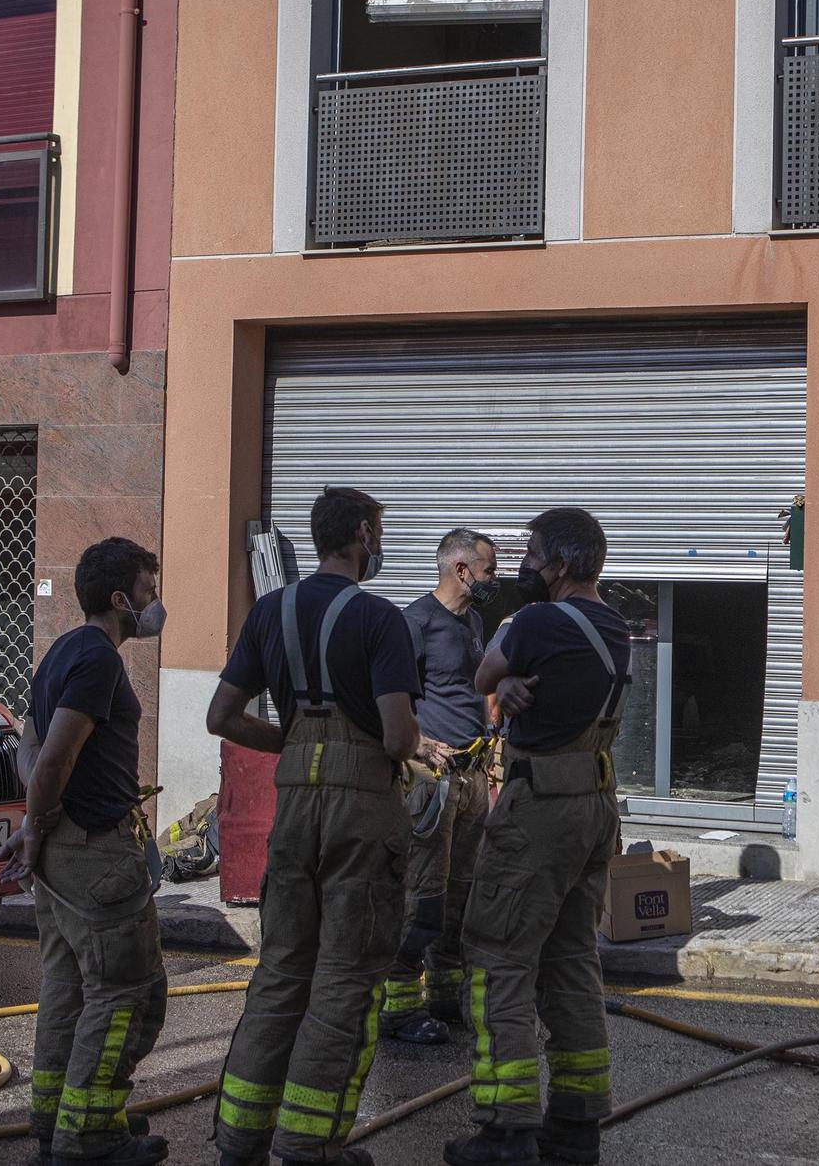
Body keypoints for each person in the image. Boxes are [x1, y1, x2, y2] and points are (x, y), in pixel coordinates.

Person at [205, 487, 422, 1166]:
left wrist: (297, 745)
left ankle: (239, 1137)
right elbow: (396, 733)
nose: (379, 543)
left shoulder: (270, 610)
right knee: (345, 973)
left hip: (295, 803)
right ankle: (308, 1144)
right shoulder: (380, 618)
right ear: (362, 533)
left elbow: (222, 715)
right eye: (379, 531)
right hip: (361, 808)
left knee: (281, 968)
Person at [446, 508, 628, 1166]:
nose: (524, 560)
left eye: (532, 550)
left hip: (540, 808)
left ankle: (506, 1129)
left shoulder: (540, 621)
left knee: (498, 956)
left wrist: (512, 667)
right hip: (592, 806)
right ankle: (576, 1126)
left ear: (561, 563)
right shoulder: (615, 625)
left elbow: (483, 675)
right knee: (572, 957)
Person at [0, 537, 171, 1166]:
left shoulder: (62, 653)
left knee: (69, 987)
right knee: (128, 992)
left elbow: (28, 748)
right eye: (149, 590)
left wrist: (35, 827)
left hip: (63, 853)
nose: (156, 605)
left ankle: (54, 1122)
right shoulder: (98, 658)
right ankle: (91, 1134)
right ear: (121, 598)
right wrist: (37, 825)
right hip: (96, 851)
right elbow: (53, 759)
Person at [385, 528, 501, 1044]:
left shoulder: (473, 621)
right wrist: (418, 743)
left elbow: (474, 690)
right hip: (432, 783)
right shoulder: (414, 624)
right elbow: (389, 699)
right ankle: (398, 1009)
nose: (493, 579)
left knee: (463, 897)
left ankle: (446, 999)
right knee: (424, 898)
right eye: (488, 570)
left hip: (472, 778)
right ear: (461, 571)